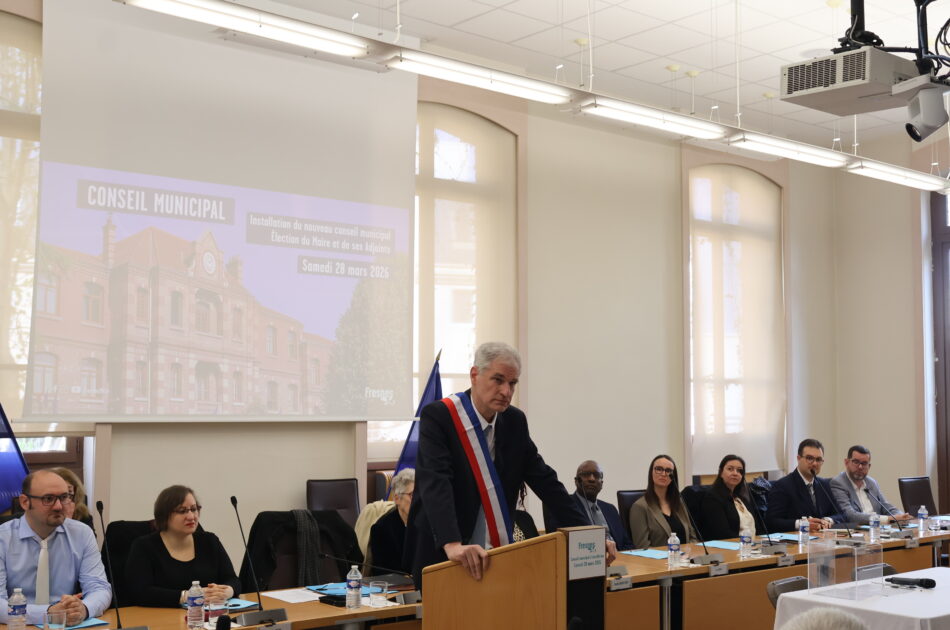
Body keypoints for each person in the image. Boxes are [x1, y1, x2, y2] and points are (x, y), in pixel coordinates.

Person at [406, 342, 610, 588]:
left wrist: (588, 533)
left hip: (495, 554)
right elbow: (436, 482)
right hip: (445, 552)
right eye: (498, 380)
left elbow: (546, 482)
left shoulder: (514, 421)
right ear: (474, 375)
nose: (506, 391)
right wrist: (452, 544)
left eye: (512, 383)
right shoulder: (440, 416)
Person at [0, 470, 111, 625]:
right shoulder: (3, 538)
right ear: (25, 502)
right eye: (48, 499)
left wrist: (84, 608)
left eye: (64, 497)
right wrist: (48, 613)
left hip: (66, 625)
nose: (59, 506)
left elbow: (99, 587)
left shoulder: (81, 533)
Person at [125, 485, 241, 607]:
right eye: (182, 511)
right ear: (164, 515)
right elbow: (140, 592)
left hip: (211, 613)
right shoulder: (144, 546)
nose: (191, 516)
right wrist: (186, 596)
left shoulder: (209, 541)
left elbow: (233, 579)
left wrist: (226, 591)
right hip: (164, 616)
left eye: (194, 509)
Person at [545, 460, 633, 550]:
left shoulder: (610, 509)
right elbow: (559, 545)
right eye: (586, 474)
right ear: (576, 481)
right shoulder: (564, 507)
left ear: (602, 483)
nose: (592, 479)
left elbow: (627, 543)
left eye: (597, 475)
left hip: (619, 557)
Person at [766, 439, 844, 533]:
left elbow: (841, 515)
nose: (814, 463)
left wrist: (827, 520)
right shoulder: (783, 486)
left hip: (823, 538)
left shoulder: (825, 485)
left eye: (818, 459)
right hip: (797, 539)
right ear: (798, 458)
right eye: (810, 458)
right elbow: (772, 522)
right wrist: (802, 524)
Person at [829, 445, 911, 525]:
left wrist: (902, 516)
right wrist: (888, 519)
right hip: (858, 530)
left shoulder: (871, 482)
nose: (860, 467)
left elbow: (886, 506)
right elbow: (849, 515)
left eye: (864, 463)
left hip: (878, 529)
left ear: (869, 466)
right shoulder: (838, 483)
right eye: (856, 462)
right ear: (846, 462)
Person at [628, 454, 697, 548]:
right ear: (651, 472)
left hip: (686, 556)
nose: (664, 474)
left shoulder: (679, 502)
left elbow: (693, 537)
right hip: (660, 557)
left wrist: (688, 552)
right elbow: (643, 547)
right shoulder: (639, 507)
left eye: (668, 471)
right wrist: (673, 555)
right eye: (659, 469)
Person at [699, 454, 764, 540]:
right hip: (733, 545)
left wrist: (763, 542)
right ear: (721, 472)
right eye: (730, 469)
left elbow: (757, 528)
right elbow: (722, 533)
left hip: (753, 544)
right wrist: (747, 542)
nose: (735, 473)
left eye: (739, 470)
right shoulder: (712, 498)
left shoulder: (741, 498)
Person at [368, 468, 414, 575]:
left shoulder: (427, 524)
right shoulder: (381, 529)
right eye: (412, 495)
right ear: (397, 499)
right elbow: (382, 573)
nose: (418, 500)